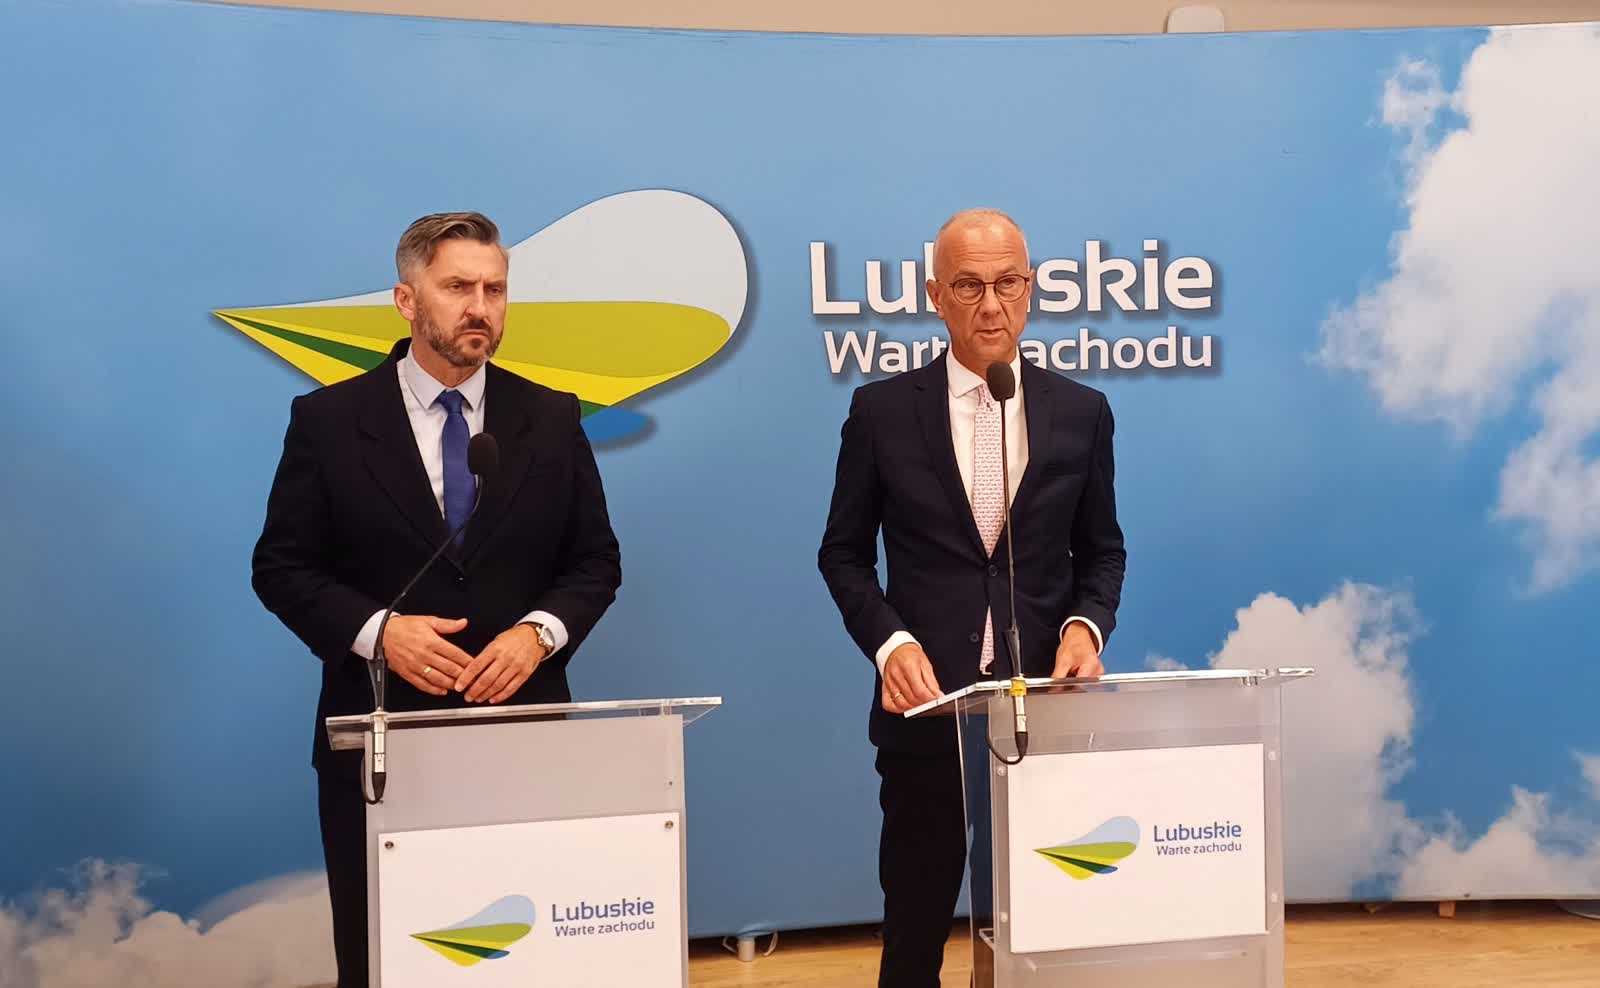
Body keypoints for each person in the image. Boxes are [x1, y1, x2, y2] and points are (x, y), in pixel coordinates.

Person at [251, 211, 622, 987]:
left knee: (522, 961)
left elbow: (595, 561)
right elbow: (282, 567)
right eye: (457, 287)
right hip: (380, 742)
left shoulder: (551, 416)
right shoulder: (329, 421)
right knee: (385, 959)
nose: (480, 307)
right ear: (406, 300)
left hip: (520, 734)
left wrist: (538, 635)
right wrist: (377, 632)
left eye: (495, 289)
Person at [818, 208, 1126, 987]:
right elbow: (843, 554)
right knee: (915, 938)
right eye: (968, 286)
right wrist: (890, 643)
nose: (991, 306)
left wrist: (1086, 628)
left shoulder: (1082, 413)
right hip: (929, 719)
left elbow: (1102, 551)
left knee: (1044, 935)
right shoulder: (882, 413)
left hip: (1042, 713)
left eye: (1007, 283)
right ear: (935, 296)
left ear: (1031, 288)